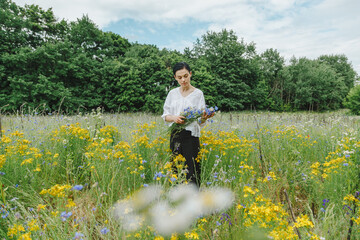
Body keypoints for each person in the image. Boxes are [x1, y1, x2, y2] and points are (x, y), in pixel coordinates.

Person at [161, 62, 213, 187]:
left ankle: (194, 200)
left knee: (192, 170)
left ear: (190, 74)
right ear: (175, 78)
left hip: (191, 137)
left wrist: (205, 118)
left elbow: (200, 121)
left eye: (185, 76)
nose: (183, 80)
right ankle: (177, 198)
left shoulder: (198, 94)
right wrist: (174, 118)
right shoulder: (172, 94)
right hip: (175, 135)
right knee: (176, 169)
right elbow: (165, 116)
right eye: (179, 78)